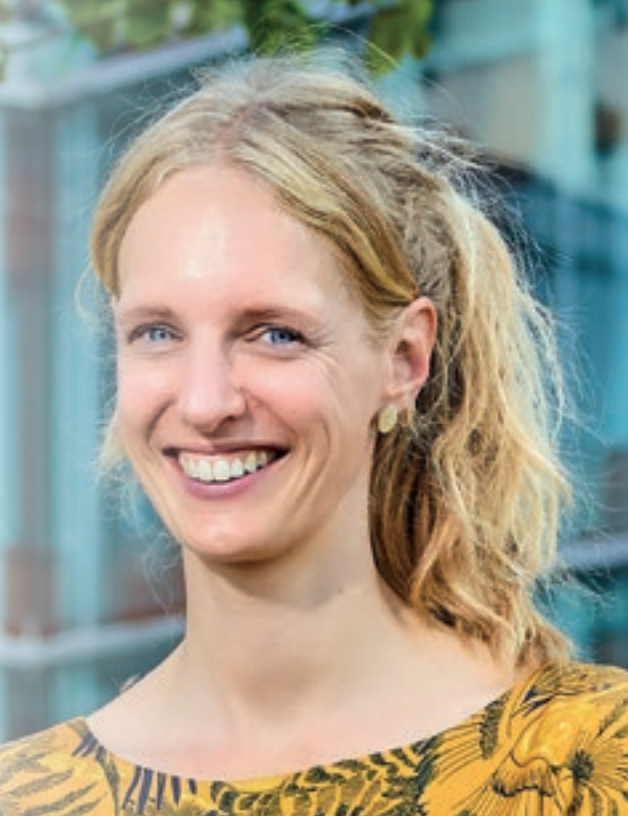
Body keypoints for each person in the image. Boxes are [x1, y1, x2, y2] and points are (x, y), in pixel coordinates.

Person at [0, 51, 627, 816]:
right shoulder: (26, 798)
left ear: (404, 358)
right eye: (158, 332)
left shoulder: (594, 759)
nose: (205, 402)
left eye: (275, 334)